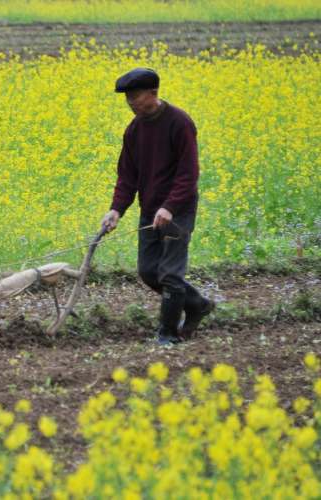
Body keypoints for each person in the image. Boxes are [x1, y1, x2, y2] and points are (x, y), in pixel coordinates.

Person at [100, 68, 214, 346]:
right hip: (150, 208)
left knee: (170, 274)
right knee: (149, 271)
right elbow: (127, 176)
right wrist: (116, 209)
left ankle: (167, 334)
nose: (131, 102)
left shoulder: (179, 123)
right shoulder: (134, 129)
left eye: (135, 97)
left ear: (153, 93)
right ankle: (197, 304)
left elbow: (189, 173)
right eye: (127, 98)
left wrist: (171, 207)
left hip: (178, 210)